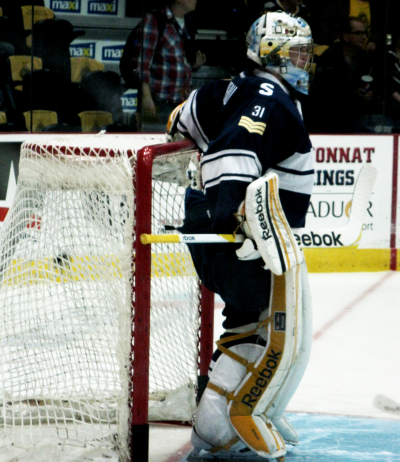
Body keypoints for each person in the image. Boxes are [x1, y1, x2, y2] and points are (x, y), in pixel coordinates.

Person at [167, 11, 314, 460]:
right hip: (234, 230)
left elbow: (181, 119)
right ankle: (216, 419)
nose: (304, 62)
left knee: (262, 319)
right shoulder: (267, 91)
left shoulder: (242, 86)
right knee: (257, 320)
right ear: (270, 52)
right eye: (295, 53)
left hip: (233, 225)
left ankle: (256, 405)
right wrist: (233, 217)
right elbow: (235, 151)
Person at [121, 0, 206, 132]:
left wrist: (193, 65)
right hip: (159, 104)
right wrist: (146, 97)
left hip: (182, 103)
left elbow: (178, 60)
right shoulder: (155, 21)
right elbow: (141, 64)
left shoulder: (188, 24)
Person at [306, 16, 381, 133]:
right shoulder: (330, 56)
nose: (364, 37)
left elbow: (374, 82)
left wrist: (370, 93)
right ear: (345, 36)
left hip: (357, 113)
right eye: (359, 33)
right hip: (329, 116)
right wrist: (352, 92)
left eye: (365, 33)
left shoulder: (365, 58)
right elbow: (325, 91)